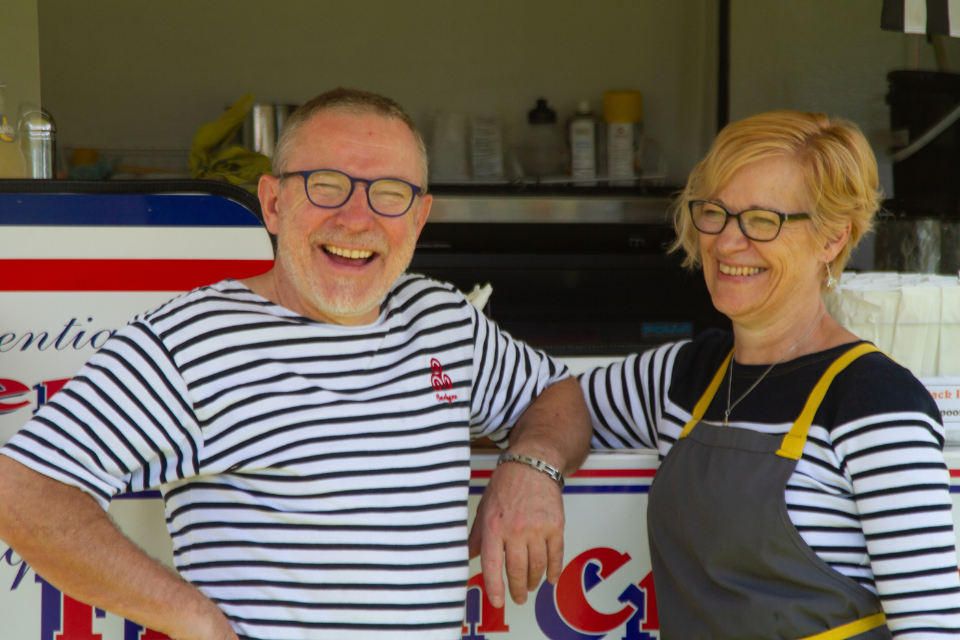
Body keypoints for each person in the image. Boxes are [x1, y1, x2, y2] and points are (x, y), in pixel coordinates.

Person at [0, 88, 591, 640]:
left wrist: (533, 466)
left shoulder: (442, 319)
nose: (357, 220)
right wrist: (196, 622)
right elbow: (23, 489)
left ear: (419, 216)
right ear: (273, 203)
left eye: (389, 193)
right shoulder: (195, 339)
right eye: (326, 185)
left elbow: (557, 394)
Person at [580, 111, 960, 639]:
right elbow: (549, 403)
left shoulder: (877, 403)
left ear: (832, 239)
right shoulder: (683, 377)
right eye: (715, 212)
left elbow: (932, 629)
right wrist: (533, 465)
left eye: (762, 220)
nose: (728, 242)